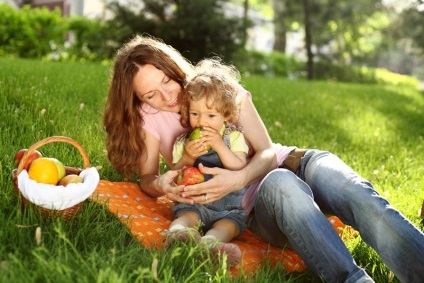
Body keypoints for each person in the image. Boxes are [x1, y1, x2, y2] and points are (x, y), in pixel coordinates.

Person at [103, 35, 424, 282]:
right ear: (138, 100)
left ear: (173, 67)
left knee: (352, 190)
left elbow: (268, 152)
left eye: (166, 81)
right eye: (150, 95)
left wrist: (239, 176)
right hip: (264, 201)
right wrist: (161, 183)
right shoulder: (151, 118)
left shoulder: (217, 88)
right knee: (282, 183)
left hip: (295, 161)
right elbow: (147, 180)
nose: (167, 96)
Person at [166, 61, 250, 268]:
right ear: (188, 112)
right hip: (195, 202)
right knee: (186, 217)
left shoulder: (234, 137)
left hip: (229, 207)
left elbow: (239, 166)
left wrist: (220, 146)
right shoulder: (184, 142)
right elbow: (174, 173)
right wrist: (187, 157)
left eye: (211, 115)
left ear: (226, 115)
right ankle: (178, 236)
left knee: (228, 227)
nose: (202, 122)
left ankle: (210, 247)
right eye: (195, 114)